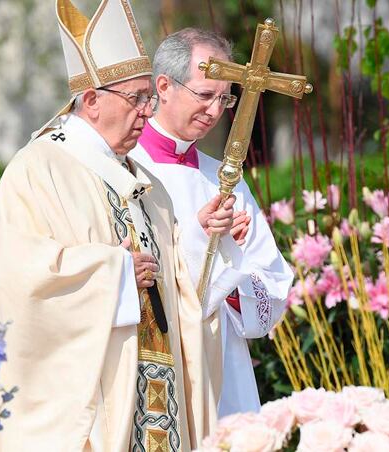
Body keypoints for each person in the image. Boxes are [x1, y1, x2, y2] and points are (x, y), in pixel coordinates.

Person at [0, 2, 229, 450]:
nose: (148, 113)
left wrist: (200, 244)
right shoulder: (39, 169)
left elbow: (180, 291)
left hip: (157, 395)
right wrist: (115, 272)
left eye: (150, 98)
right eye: (137, 99)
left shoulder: (149, 187)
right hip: (94, 404)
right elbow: (16, 280)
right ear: (91, 100)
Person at [129, 28, 293, 417]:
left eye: (224, 98)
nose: (216, 111)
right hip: (154, 357)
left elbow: (274, 285)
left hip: (224, 367)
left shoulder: (224, 176)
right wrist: (202, 241)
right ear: (164, 86)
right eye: (205, 95)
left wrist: (230, 268)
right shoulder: (128, 168)